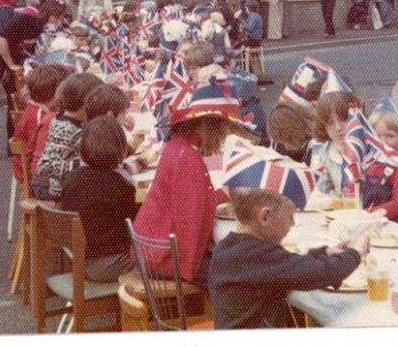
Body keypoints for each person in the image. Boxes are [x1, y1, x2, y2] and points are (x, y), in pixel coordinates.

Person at [132, 78, 245, 285]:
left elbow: (194, 201)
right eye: (223, 128)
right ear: (208, 125)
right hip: (165, 258)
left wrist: (224, 193)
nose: (225, 134)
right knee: (240, 276)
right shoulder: (188, 159)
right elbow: (190, 222)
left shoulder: (178, 146)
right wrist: (193, 270)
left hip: (154, 249)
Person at [209, 188, 368, 329]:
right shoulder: (257, 256)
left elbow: (287, 265)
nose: (292, 223)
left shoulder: (232, 246)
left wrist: (324, 252)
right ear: (265, 217)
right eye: (290, 216)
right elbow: (321, 273)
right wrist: (355, 252)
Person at [0, 0, 67, 163]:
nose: (58, 21)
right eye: (57, 17)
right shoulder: (25, 19)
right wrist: (10, 65)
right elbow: (0, 38)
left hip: (14, 62)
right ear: (49, 13)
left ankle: (13, 146)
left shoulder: (42, 29)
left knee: (15, 103)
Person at [58, 116, 138, 282]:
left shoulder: (71, 179)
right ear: (121, 148)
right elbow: (133, 227)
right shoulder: (120, 185)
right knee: (162, 263)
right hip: (110, 264)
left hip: (78, 258)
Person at [35, 73, 102, 199]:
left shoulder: (76, 122)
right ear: (85, 104)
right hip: (65, 191)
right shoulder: (65, 128)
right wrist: (82, 165)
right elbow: (44, 166)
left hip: (76, 186)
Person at [9, 64, 71, 197]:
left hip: (31, 171)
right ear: (55, 93)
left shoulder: (38, 111)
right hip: (32, 176)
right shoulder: (39, 117)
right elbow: (39, 154)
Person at [310, 90, 364, 195]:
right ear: (323, 126)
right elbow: (320, 191)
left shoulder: (371, 146)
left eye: (344, 119)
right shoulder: (323, 152)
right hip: (343, 208)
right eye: (330, 123)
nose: (338, 128)